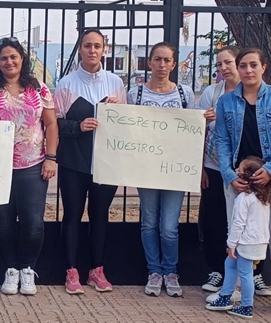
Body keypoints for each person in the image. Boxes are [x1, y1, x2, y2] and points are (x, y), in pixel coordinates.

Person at [214, 48, 271, 321]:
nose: (248, 70)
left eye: (254, 65)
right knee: (237, 235)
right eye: (243, 65)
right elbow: (222, 140)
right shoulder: (226, 101)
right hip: (241, 177)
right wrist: (230, 175)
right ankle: (239, 290)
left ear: (264, 67)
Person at [54, 28, 125, 295]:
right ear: (80, 49)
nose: (92, 50)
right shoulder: (66, 84)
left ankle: (97, 270)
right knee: (72, 215)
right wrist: (79, 126)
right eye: (87, 46)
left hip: (106, 162)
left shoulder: (116, 83)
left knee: (100, 217)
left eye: (97, 46)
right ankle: (71, 271)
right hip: (74, 162)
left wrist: (118, 110)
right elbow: (56, 124)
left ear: (104, 50)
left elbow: (127, 125)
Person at [0, 36, 58, 296]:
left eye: (13, 56)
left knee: (32, 222)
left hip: (34, 165)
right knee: (3, 222)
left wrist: (51, 158)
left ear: (22, 59)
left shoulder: (38, 88)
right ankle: (11, 269)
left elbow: (51, 124)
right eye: (4, 57)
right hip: (0, 166)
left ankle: (28, 269)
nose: (9, 61)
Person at [132, 42, 196, 297]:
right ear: (149, 62)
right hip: (146, 168)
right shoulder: (135, 93)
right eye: (157, 59)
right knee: (148, 222)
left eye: (166, 60)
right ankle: (154, 271)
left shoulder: (185, 93)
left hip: (175, 169)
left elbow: (193, 130)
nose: (161, 65)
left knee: (169, 226)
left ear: (173, 64)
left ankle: (170, 271)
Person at [206, 156, 271, 319]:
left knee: (245, 273)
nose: (236, 171)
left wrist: (231, 243)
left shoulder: (243, 199)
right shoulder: (263, 198)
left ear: (246, 178)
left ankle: (246, 305)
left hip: (245, 242)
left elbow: (238, 224)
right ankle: (225, 295)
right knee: (230, 265)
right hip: (259, 241)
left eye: (239, 170)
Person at [197, 45, 240, 292]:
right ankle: (216, 270)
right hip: (213, 166)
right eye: (219, 64)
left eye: (228, 63)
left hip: (243, 169)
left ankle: (252, 271)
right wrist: (200, 167)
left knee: (247, 219)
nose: (223, 68)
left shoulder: (250, 92)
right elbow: (196, 131)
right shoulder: (211, 93)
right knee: (214, 219)